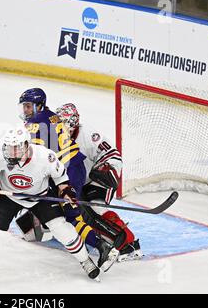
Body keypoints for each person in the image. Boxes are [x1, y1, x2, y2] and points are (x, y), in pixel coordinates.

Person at [0, 126, 102, 283]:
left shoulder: (46, 157)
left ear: (26, 145)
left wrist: (66, 193)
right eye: (9, 148)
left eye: (15, 148)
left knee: (62, 229)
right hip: (9, 196)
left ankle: (86, 261)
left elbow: (61, 180)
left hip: (40, 197)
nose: (11, 152)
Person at [17, 88, 120, 269]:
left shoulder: (37, 122)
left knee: (69, 216)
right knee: (49, 205)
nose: (25, 111)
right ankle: (53, 226)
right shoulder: (48, 116)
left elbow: (35, 154)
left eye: (28, 106)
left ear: (39, 105)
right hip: (68, 167)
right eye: (23, 106)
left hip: (69, 172)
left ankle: (103, 246)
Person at [55, 103, 143, 261]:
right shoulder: (57, 138)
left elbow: (113, 154)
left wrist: (107, 169)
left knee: (94, 208)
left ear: (72, 122)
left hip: (102, 177)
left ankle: (128, 244)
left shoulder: (89, 135)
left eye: (62, 123)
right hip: (82, 180)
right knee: (74, 209)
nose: (58, 127)